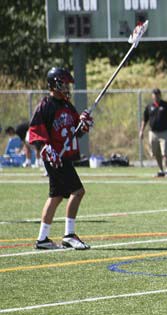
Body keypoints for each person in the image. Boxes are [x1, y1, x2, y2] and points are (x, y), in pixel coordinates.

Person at [28, 67, 94, 250]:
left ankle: (42, 239)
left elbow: (76, 131)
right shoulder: (45, 106)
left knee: (56, 196)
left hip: (63, 156)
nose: (66, 88)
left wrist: (84, 123)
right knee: (78, 191)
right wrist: (45, 148)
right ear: (55, 83)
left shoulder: (67, 106)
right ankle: (69, 235)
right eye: (63, 84)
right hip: (55, 158)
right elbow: (35, 131)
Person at [139, 88, 167, 177]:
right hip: (153, 133)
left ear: (160, 95)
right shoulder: (149, 106)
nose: (156, 96)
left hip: (164, 132)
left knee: (165, 152)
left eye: (157, 94)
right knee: (156, 153)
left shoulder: (166, 105)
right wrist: (141, 131)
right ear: (152, 96)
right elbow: (144, 120)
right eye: (154, 94)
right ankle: (161, 170)